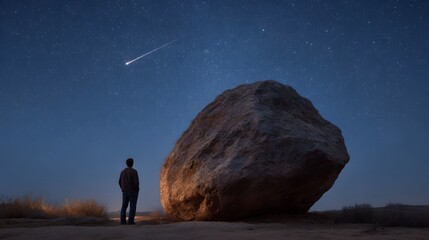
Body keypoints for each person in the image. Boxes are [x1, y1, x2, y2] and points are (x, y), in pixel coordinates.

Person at [119, 157, 140, 224]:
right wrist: (137, 189)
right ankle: (130, 221)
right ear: (132, 163)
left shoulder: (122, 172)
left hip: (124, 191)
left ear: (126, 163)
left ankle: (123, 221)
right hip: (133, 191)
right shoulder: (134, 171)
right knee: (132, 206)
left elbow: (119, 182)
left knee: (124, 206)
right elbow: (136, 182)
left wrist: (122, 188)